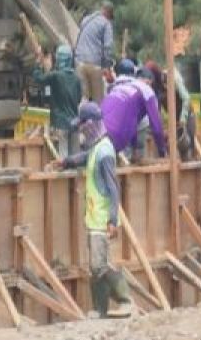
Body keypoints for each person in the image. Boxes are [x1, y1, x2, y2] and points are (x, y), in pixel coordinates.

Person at [53, 102, 132, 318]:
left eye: (82, 126)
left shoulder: (105, 152)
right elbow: (85, 157)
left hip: (102, 220)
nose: (80, 131)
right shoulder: (98, 147)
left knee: (99, 266)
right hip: (94, 218)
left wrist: (113, 220)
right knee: (95, 267)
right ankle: (100, 309)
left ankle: (126, 301)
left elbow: (113, 188)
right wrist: (66, 162)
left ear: (91, 125)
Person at [101, 58, 166, 161]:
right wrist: (163, 152)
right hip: (118, 139)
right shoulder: (145, 89)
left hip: (100, 137)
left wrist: (135, 146)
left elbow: (132, 119)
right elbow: (156, 126)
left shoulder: (113, 89)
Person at [31, 44, 83, 156]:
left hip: (60, 123)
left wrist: (38, 62)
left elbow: (38, 78)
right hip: (74, 122)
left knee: (63, 157)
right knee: (76, 155)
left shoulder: (55, 76)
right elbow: (78, 99)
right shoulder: (76, 78)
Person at [144, 60, 196, 161]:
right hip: (173, 119)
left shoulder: (172, 77)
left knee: (186, 147)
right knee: (168, 148)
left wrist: (182, 119)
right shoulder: (153, 87)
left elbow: (186, 98)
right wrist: (159, 128)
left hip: (186, 116)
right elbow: (156, 110)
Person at [74, 1, 115, 102]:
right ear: (108, 13)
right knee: (98, 100)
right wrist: (107, 67)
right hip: (94, 64)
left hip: (79, 62)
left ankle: (82, 117)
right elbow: (108, 47)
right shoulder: (106, 23)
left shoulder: (86, 20)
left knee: (84, 98)